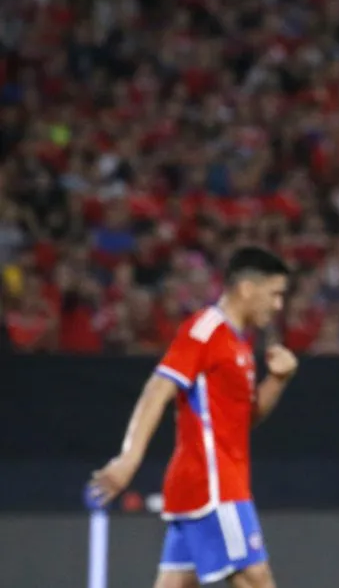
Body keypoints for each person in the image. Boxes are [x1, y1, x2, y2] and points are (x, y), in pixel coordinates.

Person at [89, 246, 296, 588]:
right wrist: (129, 458)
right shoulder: (205, 329)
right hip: (215, 483)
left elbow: (243, 419)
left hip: (204, 484)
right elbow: (158, 388)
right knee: (256, 579)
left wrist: (277, 380)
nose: (278, 306)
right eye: (274, 294)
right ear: (246, 288)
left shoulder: (238, 344)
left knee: (175, 584)